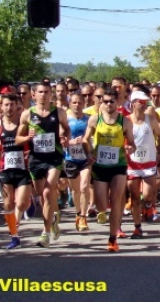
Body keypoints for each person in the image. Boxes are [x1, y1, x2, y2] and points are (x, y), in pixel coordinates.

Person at [15, 83, 72, 248]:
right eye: (40, 92)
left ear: (51, 94)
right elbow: (18, 138)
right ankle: (53, 218)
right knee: (43, 196)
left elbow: (67, 129)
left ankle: (45, 233)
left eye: (47, 92)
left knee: (48, 192)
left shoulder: (59, 112)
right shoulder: (27, 114)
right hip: (36, 159)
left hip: (54, 158)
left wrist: (65, 138)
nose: (44, 95)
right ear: (34, 95)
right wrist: (27, 138)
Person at [83, 88, 135, 252]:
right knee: (101, 204)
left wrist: (130, 148)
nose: (108, 104)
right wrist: (89, 153)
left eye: (111, 101)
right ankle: (101, 212)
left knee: (116, 199)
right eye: (105, 101)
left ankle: (113, 238)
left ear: (117, 103)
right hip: (100, 165)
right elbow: (85, 139)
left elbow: (132, 143)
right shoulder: (94, 119)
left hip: (118, 164)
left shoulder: (125, 121)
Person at [0, 93, 32, 249]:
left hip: (24, 168)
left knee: (21, 203)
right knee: (8, 203)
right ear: (1, 107)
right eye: (6, 105)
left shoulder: (24, 124)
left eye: (11, 105)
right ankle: (14, 236)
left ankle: (26, 207)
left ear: (17, 106)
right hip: (5, 169)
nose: (9, 108)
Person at [127, 90, 160, 238]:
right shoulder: (126, 121)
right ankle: (137, 227)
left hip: (148, 162)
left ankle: (148, 206)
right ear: (133, 103)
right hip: (132, 164)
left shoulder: (151, 120)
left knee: (148, 194)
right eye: (140, 103)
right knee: (135, 197)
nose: (143, 106)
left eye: (145, 103)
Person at [64, 91, 92, 232]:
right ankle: (77, 212)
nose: (77, 105)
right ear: (69, 104)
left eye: (80, 102)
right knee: (75, 191)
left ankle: (83, 217)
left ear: (84, 103)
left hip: (86, 158)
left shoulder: (89, 119)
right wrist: (71, 142)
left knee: (84, 186)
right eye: (74, 102)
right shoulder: (66, 119)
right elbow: (60, 140)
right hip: (70, 159)